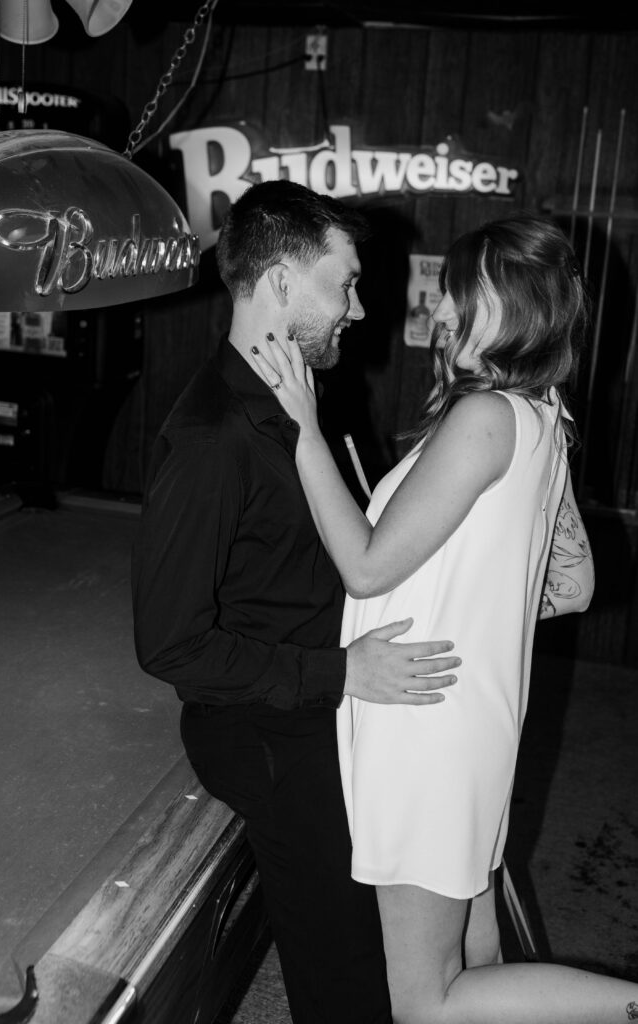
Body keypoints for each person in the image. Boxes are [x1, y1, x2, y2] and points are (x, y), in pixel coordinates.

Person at [251, 211, 638, 1023]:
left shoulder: (485, 418)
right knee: (474, 956)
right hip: (464, 716)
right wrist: (468, 597)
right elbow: (571, 584)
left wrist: (303, 431)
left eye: (464, 297)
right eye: (444, 295)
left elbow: (364, 563)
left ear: (521, 307)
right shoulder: (543, 419)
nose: (441, 313)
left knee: (428, 999)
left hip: (426, 728)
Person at [130, 179, 463, 1024]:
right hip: (267, 730)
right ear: (279, 284)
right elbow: (170, 646)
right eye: (343, 283)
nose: (356, 308)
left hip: (321, 702)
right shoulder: (212, 438)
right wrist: (342, 673)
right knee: (347, 967)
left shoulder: (307, 399)